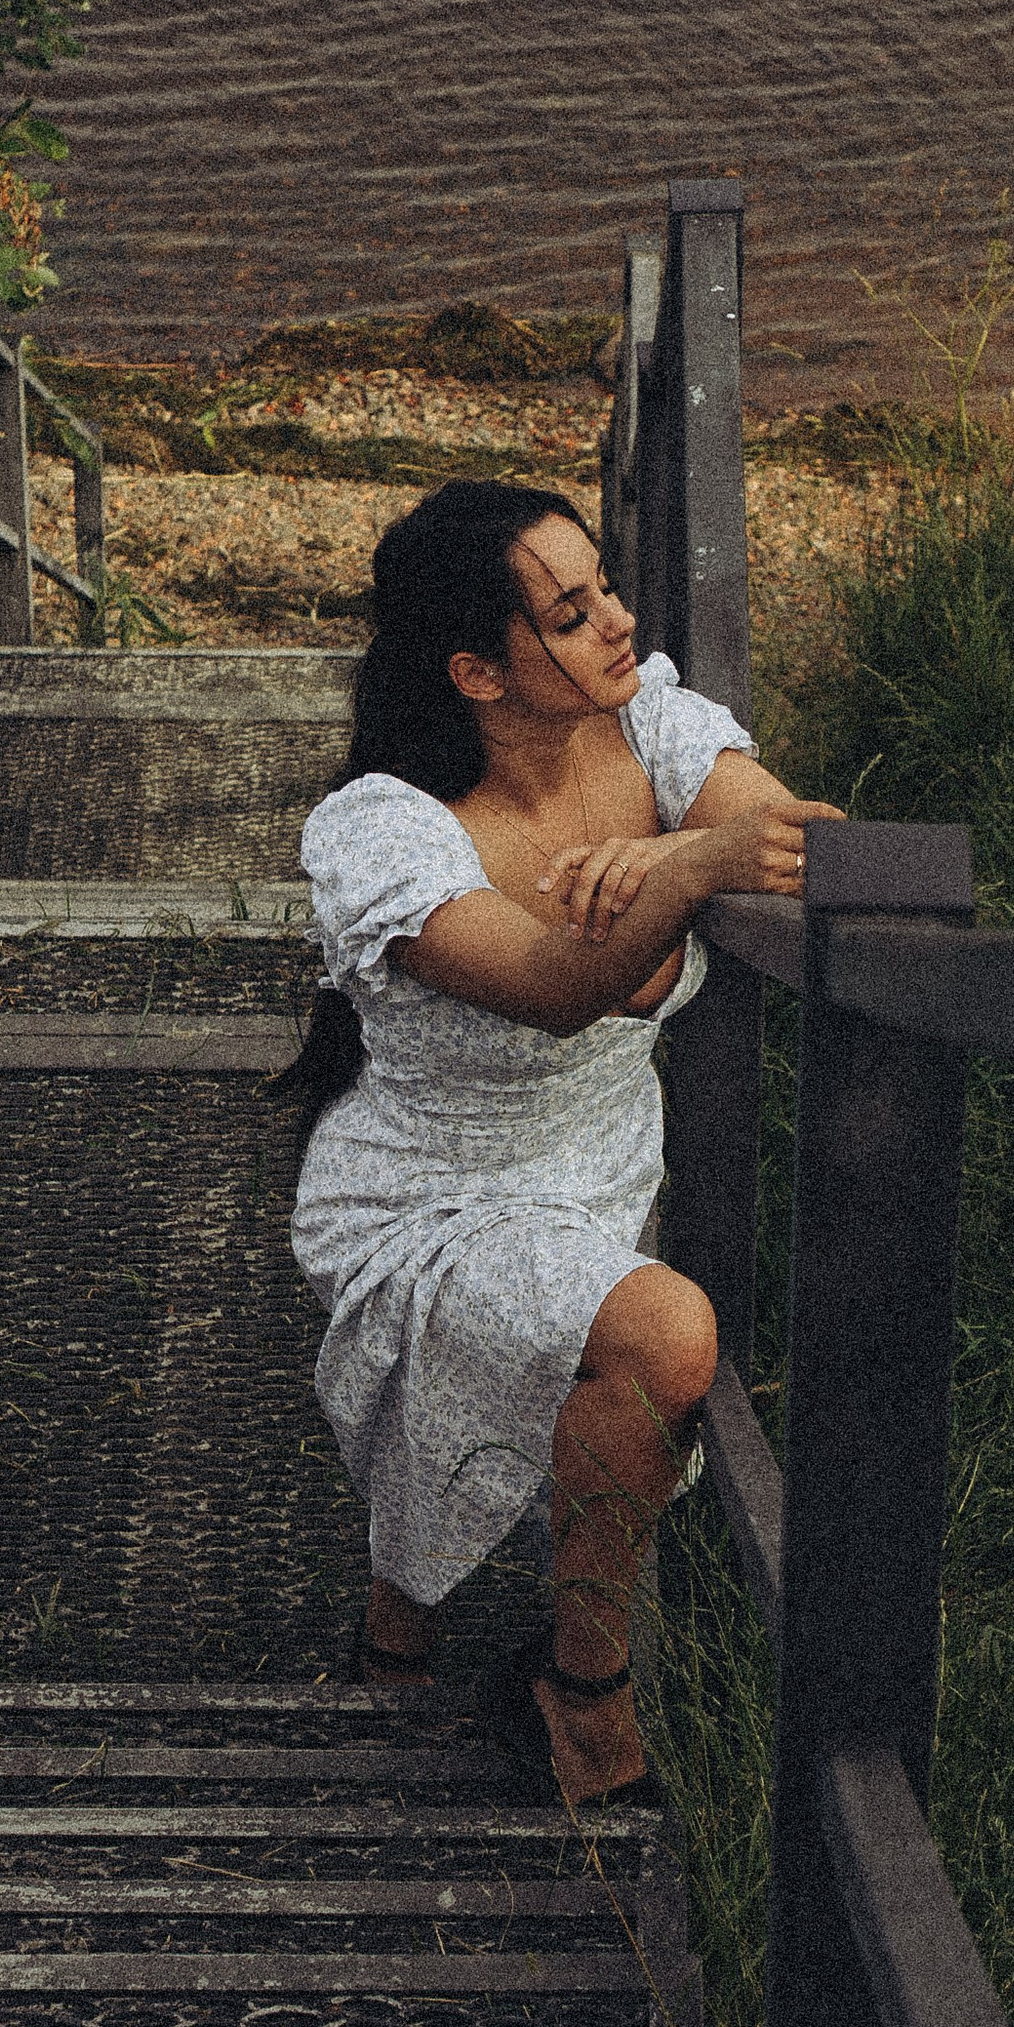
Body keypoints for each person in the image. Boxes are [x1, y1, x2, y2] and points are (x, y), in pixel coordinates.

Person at [284, 479, 839, 1806]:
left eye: (606, 589)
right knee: (662, 1336)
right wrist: (688, 870)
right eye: (572, 611)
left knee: (499, 1375)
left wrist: (674, 852)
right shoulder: (382, 831)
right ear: (477, 670)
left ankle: (392, 1641)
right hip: (423, 1193)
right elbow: (550, 984)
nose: (621, 626)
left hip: (597, 1171)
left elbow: (811, 841)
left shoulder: (648, 719)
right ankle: (584, 1693)